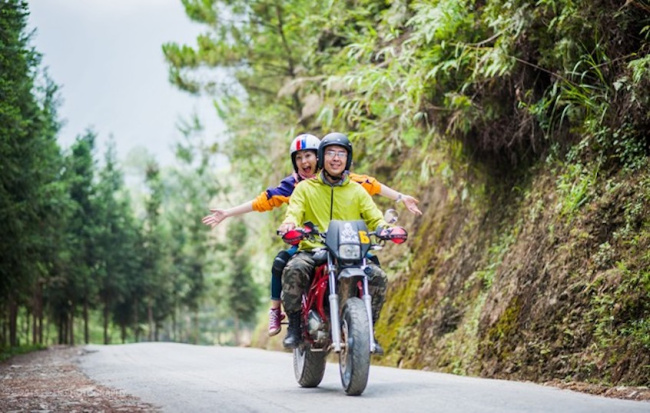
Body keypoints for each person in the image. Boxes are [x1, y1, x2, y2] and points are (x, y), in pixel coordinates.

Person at [202, 134, 422, 337]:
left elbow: (373, 190)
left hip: (349, 244)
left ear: (319, 157)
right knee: (288, 265)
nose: (304, 161)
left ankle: (366, 329)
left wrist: (400, 200)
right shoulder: (298, 186)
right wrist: (231, 213)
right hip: (312, 244)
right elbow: (268, 203)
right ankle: (292, 322)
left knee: (378, 275)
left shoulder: (353, 185)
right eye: (299, 158)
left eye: (308, 156)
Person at [277, 132, 393, 354]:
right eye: (330, 153)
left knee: (378, 276)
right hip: (314, 249)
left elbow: (375, 219)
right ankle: (294, 326)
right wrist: (290, 225)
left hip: (351, 251)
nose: (336, 158)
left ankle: (367, 330)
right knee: (294, 268)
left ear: (348, 159)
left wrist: (387, 229)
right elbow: (293, 213)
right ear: (322, 157)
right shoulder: (305, 188)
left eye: (341, 153)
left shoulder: (357, 190)